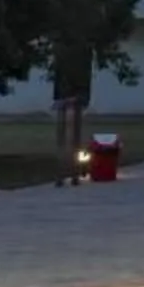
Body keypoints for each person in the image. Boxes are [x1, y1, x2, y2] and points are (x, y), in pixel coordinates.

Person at [51, 45, 93, 186]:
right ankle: (63, 175)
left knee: (71, 140)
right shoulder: (76, 59)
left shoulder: (79, 58)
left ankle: (69, 175)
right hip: (68, 99)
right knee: (66, 140)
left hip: (72, 99)